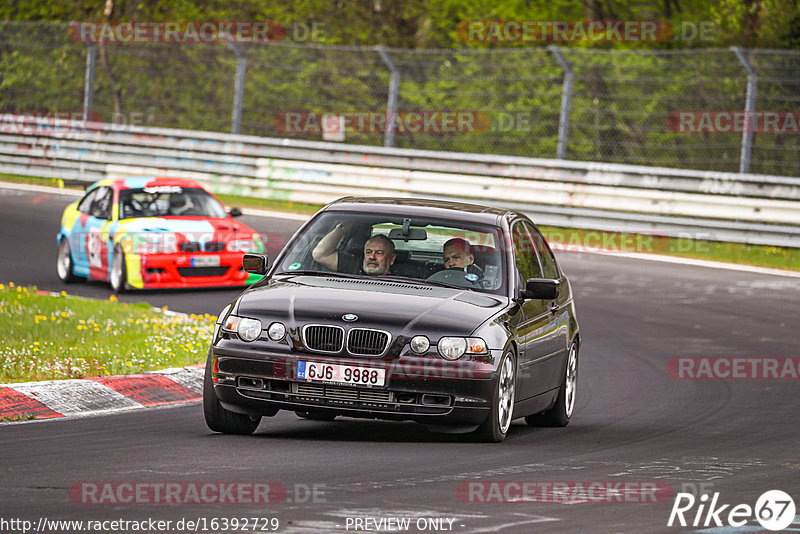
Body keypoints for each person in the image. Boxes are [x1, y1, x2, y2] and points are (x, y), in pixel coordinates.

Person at [312, 222, 396, 275]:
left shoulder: (401, 279)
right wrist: (343, 227)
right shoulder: (354, 267)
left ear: (392, 259)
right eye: (368, 252)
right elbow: (320, 254)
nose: (372, 257)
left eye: (379, 253)